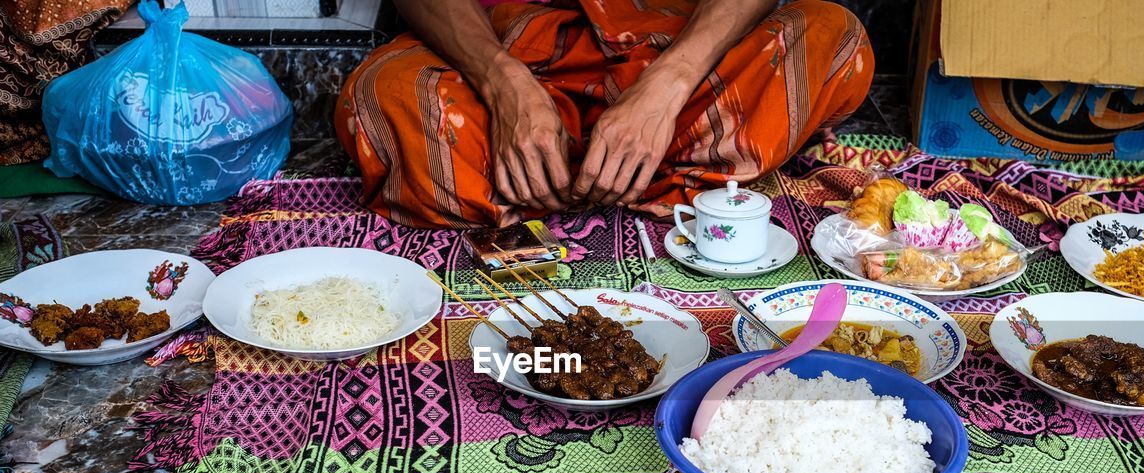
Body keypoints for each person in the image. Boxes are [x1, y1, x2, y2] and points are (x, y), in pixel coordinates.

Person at [336, 0, 874, 229]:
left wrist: (667, 85)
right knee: (389, 93)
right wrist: (504, 85)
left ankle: (577, 172)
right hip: (504, 52)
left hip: (685, 55)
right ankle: (669, 176)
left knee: (832, 35)